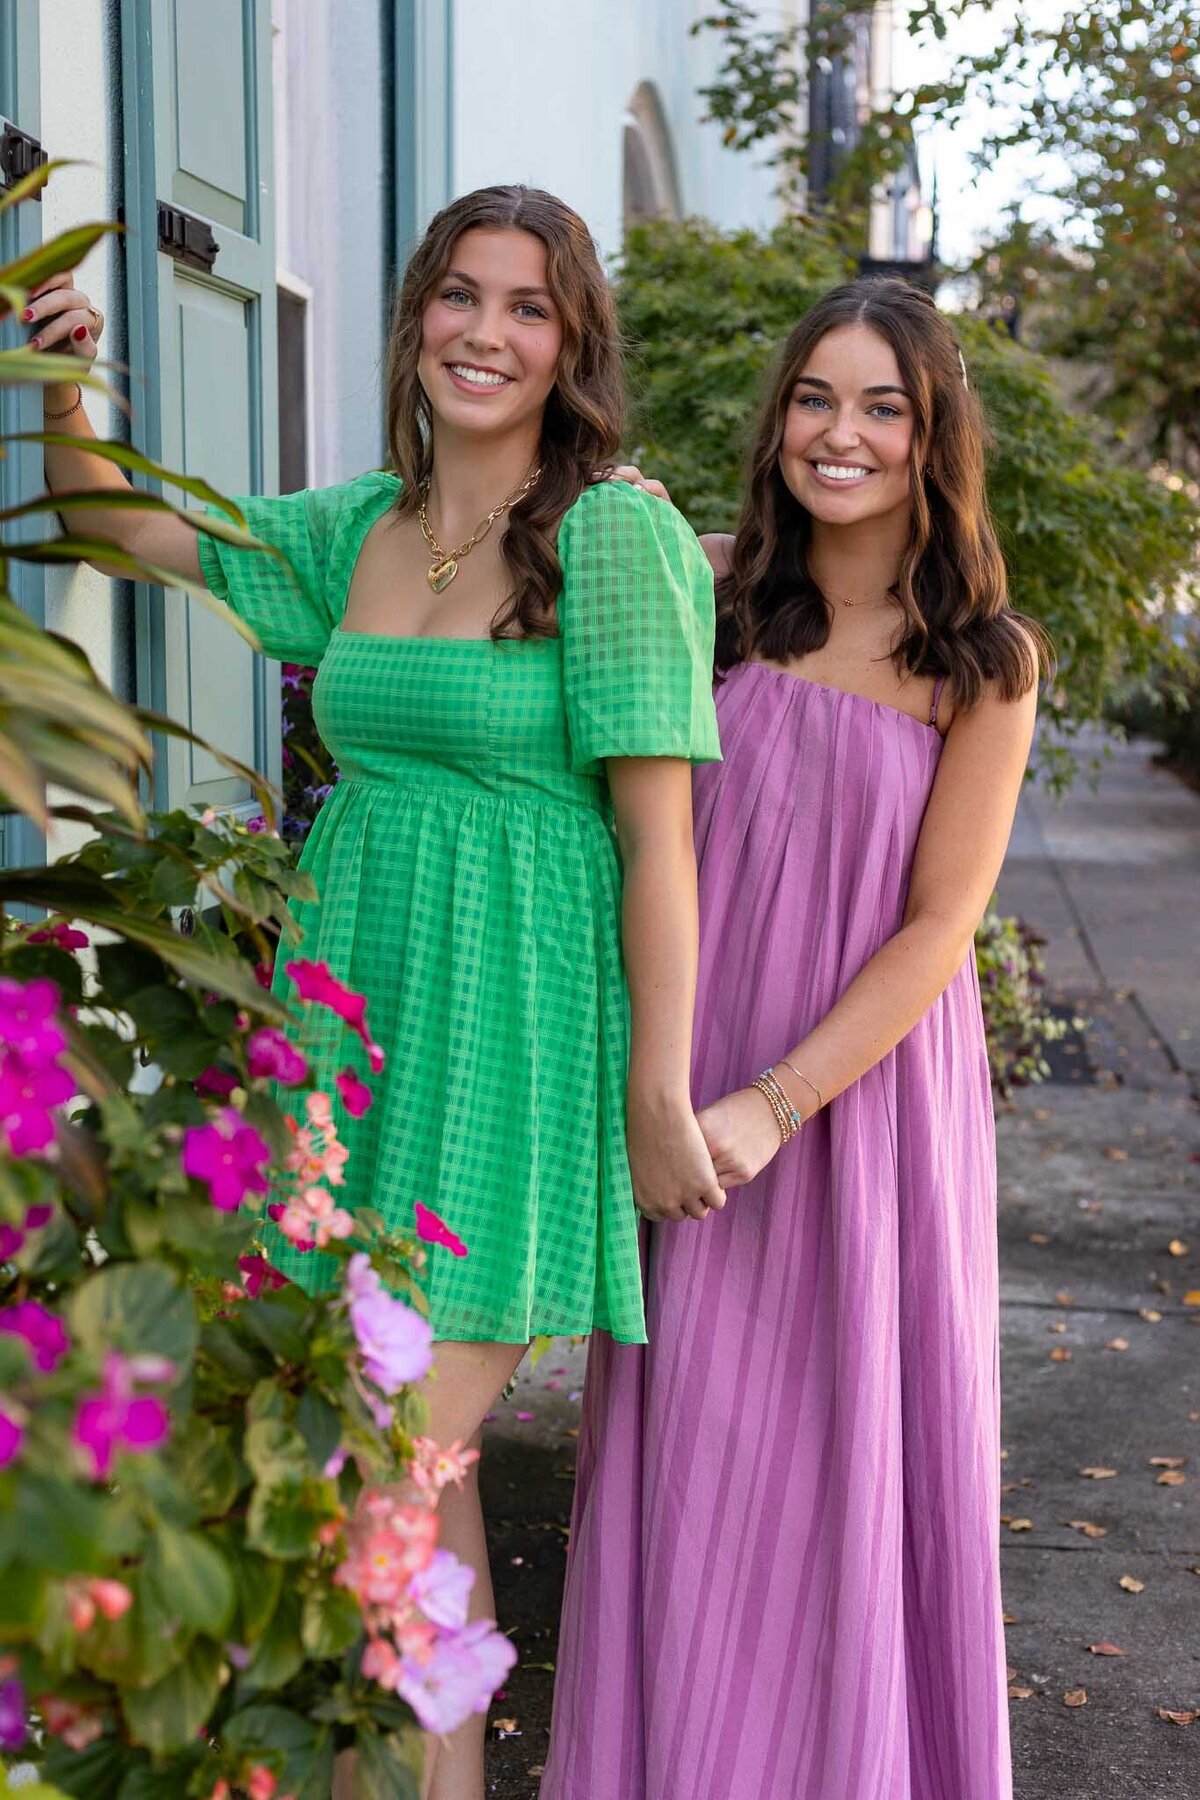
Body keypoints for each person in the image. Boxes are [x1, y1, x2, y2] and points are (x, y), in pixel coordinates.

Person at [30, 183, 723, 1800]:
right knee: (417, 1484)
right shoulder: (368, 524)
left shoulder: (612, 534)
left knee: (375, 1470)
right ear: (415, 320)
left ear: (573, 348)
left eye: (528, 307)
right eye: (458, 297)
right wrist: (64, 383)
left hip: (512, 1031)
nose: (486, 331)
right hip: (346, 1033)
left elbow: (660, 842)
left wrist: (658, 1088)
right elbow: (126, 532)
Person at [544, 278, 1048, 1800]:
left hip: (861, 1110)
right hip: (686, 1089)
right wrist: (603, 509)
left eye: (883, 405)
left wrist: (781, 1102)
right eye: (816, 399)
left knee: (855, 1471)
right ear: (776, 428)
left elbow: (937, 928)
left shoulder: (983, 661)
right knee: (700, 1471)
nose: (843, 433)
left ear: (931, 436)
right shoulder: (703, 595)